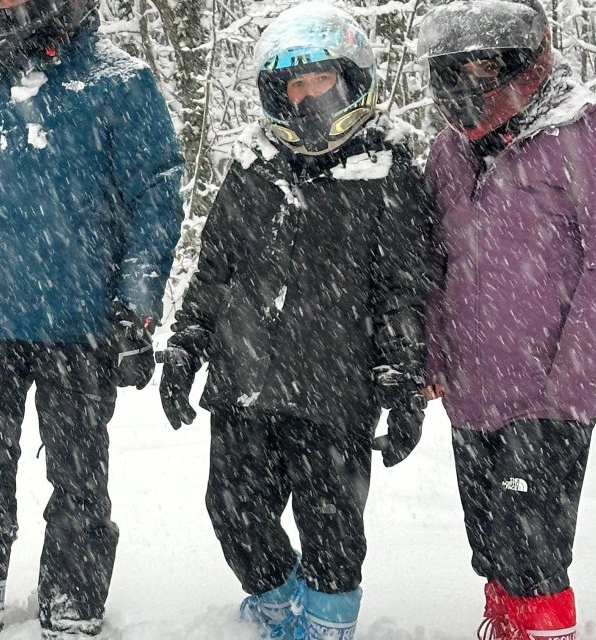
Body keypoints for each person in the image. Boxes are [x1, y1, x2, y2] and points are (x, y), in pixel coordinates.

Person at [0, 0, 184, 635]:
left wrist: (136, 307)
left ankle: (72, 598)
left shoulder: (118, 81)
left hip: (81, 323)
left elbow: (154, 198)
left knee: (78, 473)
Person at [157, 4, 432, 638]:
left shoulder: (387, 172)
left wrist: (404, 376)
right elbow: (215, 267)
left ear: (350, 79)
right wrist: (186, 346)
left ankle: (329, 624)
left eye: (318, 79)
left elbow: (401, 289)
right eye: (292, 84)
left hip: (336, 387)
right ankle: (277, 612)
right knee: (233, 512)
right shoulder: (253, 166)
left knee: (331, 524)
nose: (305, 96)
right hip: (243, 379)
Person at [418, 1, 596, 638]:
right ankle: (506, 624)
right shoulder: (448, 151)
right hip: (472, 383)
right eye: (455, 68)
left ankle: (542, 630)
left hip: (549, 387)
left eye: (484, 66)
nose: (470, 81)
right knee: (489, 539)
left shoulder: (589, 133)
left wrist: (573, 377)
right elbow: (434, 265)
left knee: (536, 550)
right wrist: (435, 357)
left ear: (521, 62)